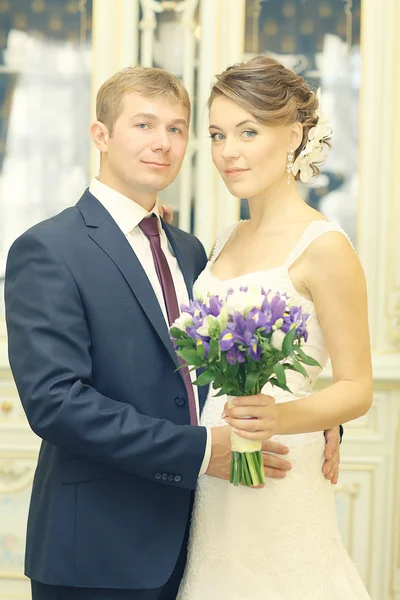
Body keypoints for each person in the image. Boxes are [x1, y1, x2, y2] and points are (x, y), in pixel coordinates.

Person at [4, 65, 341, 600]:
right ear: (101, 135)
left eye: (178, 128)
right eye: (143, 125)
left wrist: (301, 416)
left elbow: (218, 369)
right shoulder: (48, 250)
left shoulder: (192, 252)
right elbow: (57, 404)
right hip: (96, 551)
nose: (162, 142)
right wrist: (204, 450)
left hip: (199, 540)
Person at [177, 57, 372, 599]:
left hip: (281, 469)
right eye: (216, 134)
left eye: (248, 131)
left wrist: (279, 416)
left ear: (293, 135)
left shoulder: (325, 246)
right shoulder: (222, 239)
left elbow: (357, 388)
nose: (227, 151)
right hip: (213, 473)